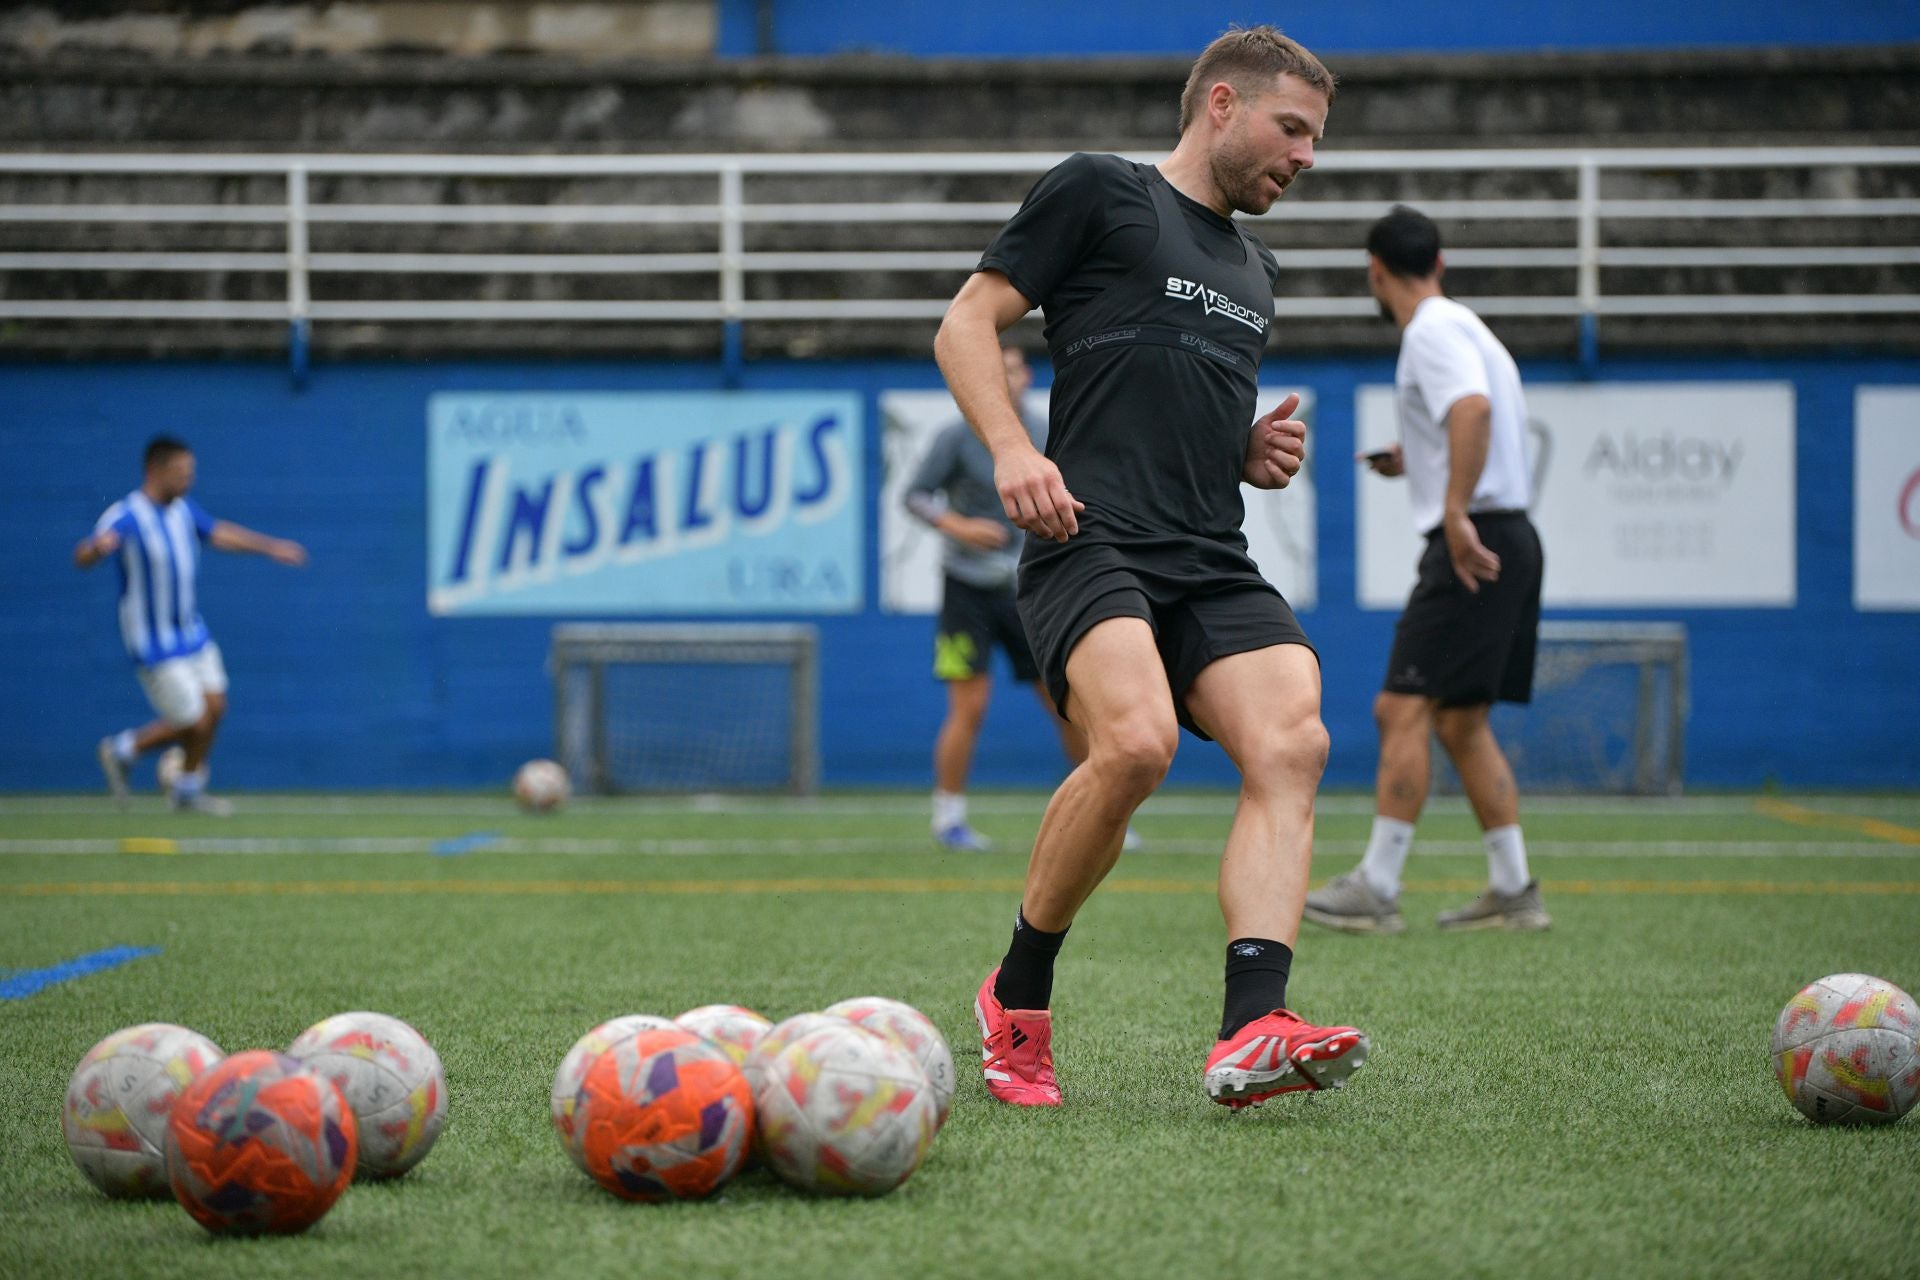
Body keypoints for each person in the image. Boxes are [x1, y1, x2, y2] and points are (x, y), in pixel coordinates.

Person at [932, 25, 1366, 1110]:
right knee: (1136, 744)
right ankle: (1016, 995)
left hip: (1211, 555)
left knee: (1295, 738)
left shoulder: (1257, 267)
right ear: (1221, 105)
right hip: (1094, 539)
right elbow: (966, 322)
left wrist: (1245, 450)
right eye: (1292, 128)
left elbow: (1166, 402)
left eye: (1316, 138)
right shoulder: (1100, 192)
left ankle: (1252, 1024)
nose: (1306, 156)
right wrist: (1013, 449)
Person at [1303, 205, 1550, 935]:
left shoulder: (1429, 332)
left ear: (1376, 272)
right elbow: (1474, 418)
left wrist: (1451, 509)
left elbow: (1470, 412)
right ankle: (1513, 887)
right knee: (1460, 720)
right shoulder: (1467, 325)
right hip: (1511, 535)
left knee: (1400, 708)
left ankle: (1377, 885)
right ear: (1439, 263)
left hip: (1473, 540)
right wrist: (1416, 458)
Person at [904, 343, 1143, 854]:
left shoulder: (1049, 432)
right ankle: (948, 818)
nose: (1004, 379)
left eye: (1010, 369)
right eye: (994, 371)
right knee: (969, 708)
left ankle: (1103, 814)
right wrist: (958, 525)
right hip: (964, 591)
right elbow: (916, 495)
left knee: (1066, 707)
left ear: (1026, 376)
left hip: (1031, 591)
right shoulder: (955, 436)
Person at [74, 435, 308, 815]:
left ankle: (186, 787)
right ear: (155, 470)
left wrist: (271, 547)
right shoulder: (127, 515)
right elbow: (83, 553)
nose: (188, 480)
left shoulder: (183, 511)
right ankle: (124, 749)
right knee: (193, 719)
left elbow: (220, 533)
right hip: (153, 640)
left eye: (191, 472)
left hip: (191, 632)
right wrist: (95, 549)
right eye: (181, 473)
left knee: (215, 707)